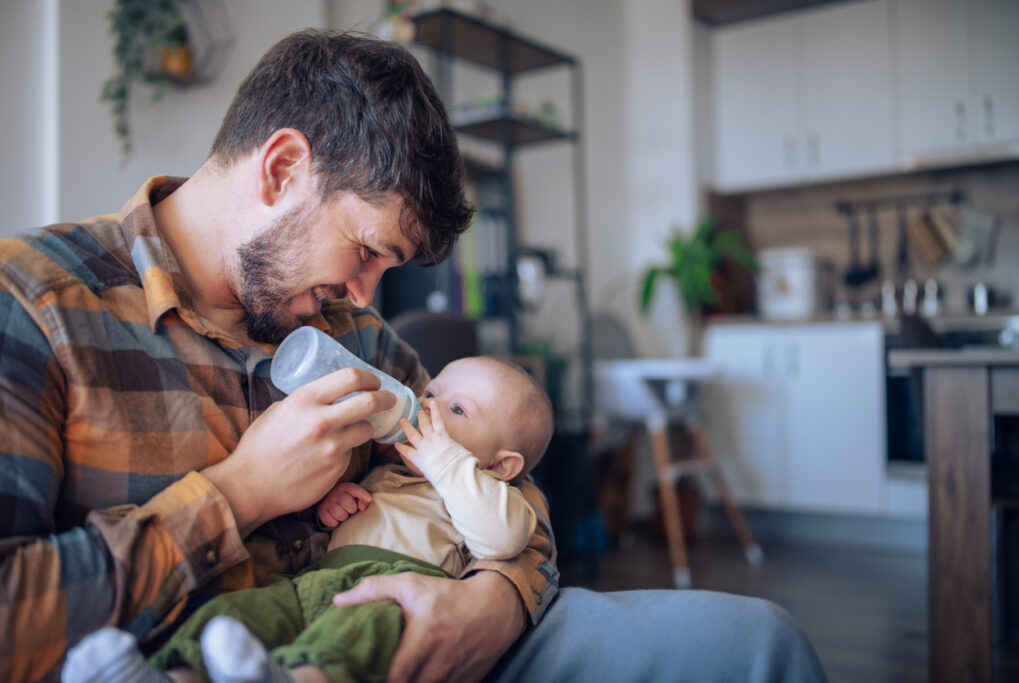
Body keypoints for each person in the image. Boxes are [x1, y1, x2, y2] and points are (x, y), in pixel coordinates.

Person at [0, 28, 827, 683]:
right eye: (366, 249)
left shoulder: (355, 336)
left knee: (759, 645)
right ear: (282, 168)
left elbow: (511, 491)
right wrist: (238, 492)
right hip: (191, 655)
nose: (364, 297)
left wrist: (490, 606)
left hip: (419, 633)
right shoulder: (37, 302)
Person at [62, 355, 555, 683]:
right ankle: (172, 675)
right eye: (431, 391)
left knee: (350, 640)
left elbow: (506, 536)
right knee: (236, 616)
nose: (428, 407)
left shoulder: (483, 491)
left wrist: (447, 463)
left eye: (458, 409)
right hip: (315, 581)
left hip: (392, 592)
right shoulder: (390, 472)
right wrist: (335, 506)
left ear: (501, 466)